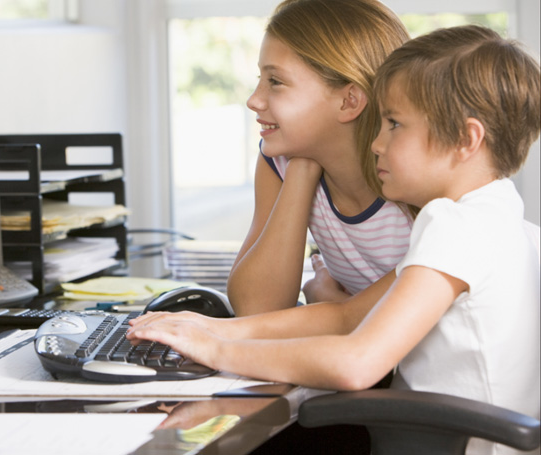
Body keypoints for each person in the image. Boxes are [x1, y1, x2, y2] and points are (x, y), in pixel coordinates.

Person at [128, 25, 540, 455]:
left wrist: (214, 348)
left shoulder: (452, 226)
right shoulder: (497, 217)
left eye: (395, 125)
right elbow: (347, 317)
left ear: (466, 139)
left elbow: (356, 363)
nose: (377, 143)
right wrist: (215, 328)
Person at [227, 0, 413, 316]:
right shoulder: (281, 162)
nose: (254, 100)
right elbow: (256, 308)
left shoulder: (417, 177)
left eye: (275, 81)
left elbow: (430, 320)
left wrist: (332, 305)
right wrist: (303, 168)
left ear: (348, 101)